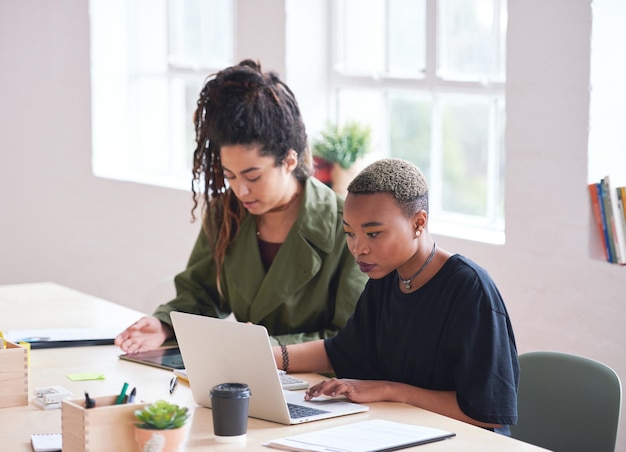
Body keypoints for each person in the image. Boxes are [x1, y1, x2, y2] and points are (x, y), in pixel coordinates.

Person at [116, 60, 367, 353]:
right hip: (246, 373)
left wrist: (265, 347)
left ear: (289, 161)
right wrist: (164, 325)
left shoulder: (347, 225)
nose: (241, 190)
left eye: (253, 176)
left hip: (323, 388)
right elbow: (201, 294)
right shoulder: (227, 213)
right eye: (229, 176)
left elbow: (351, 337)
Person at [272, 158, 519, 435]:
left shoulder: (470, 289)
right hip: (403, 430)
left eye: (374, 233)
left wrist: (389, 390)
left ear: (418, 223)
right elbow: (340, 351)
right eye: (350, 233)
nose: (358, 249)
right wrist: (266, 355)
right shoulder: (386, 277)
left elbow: (486, 413)